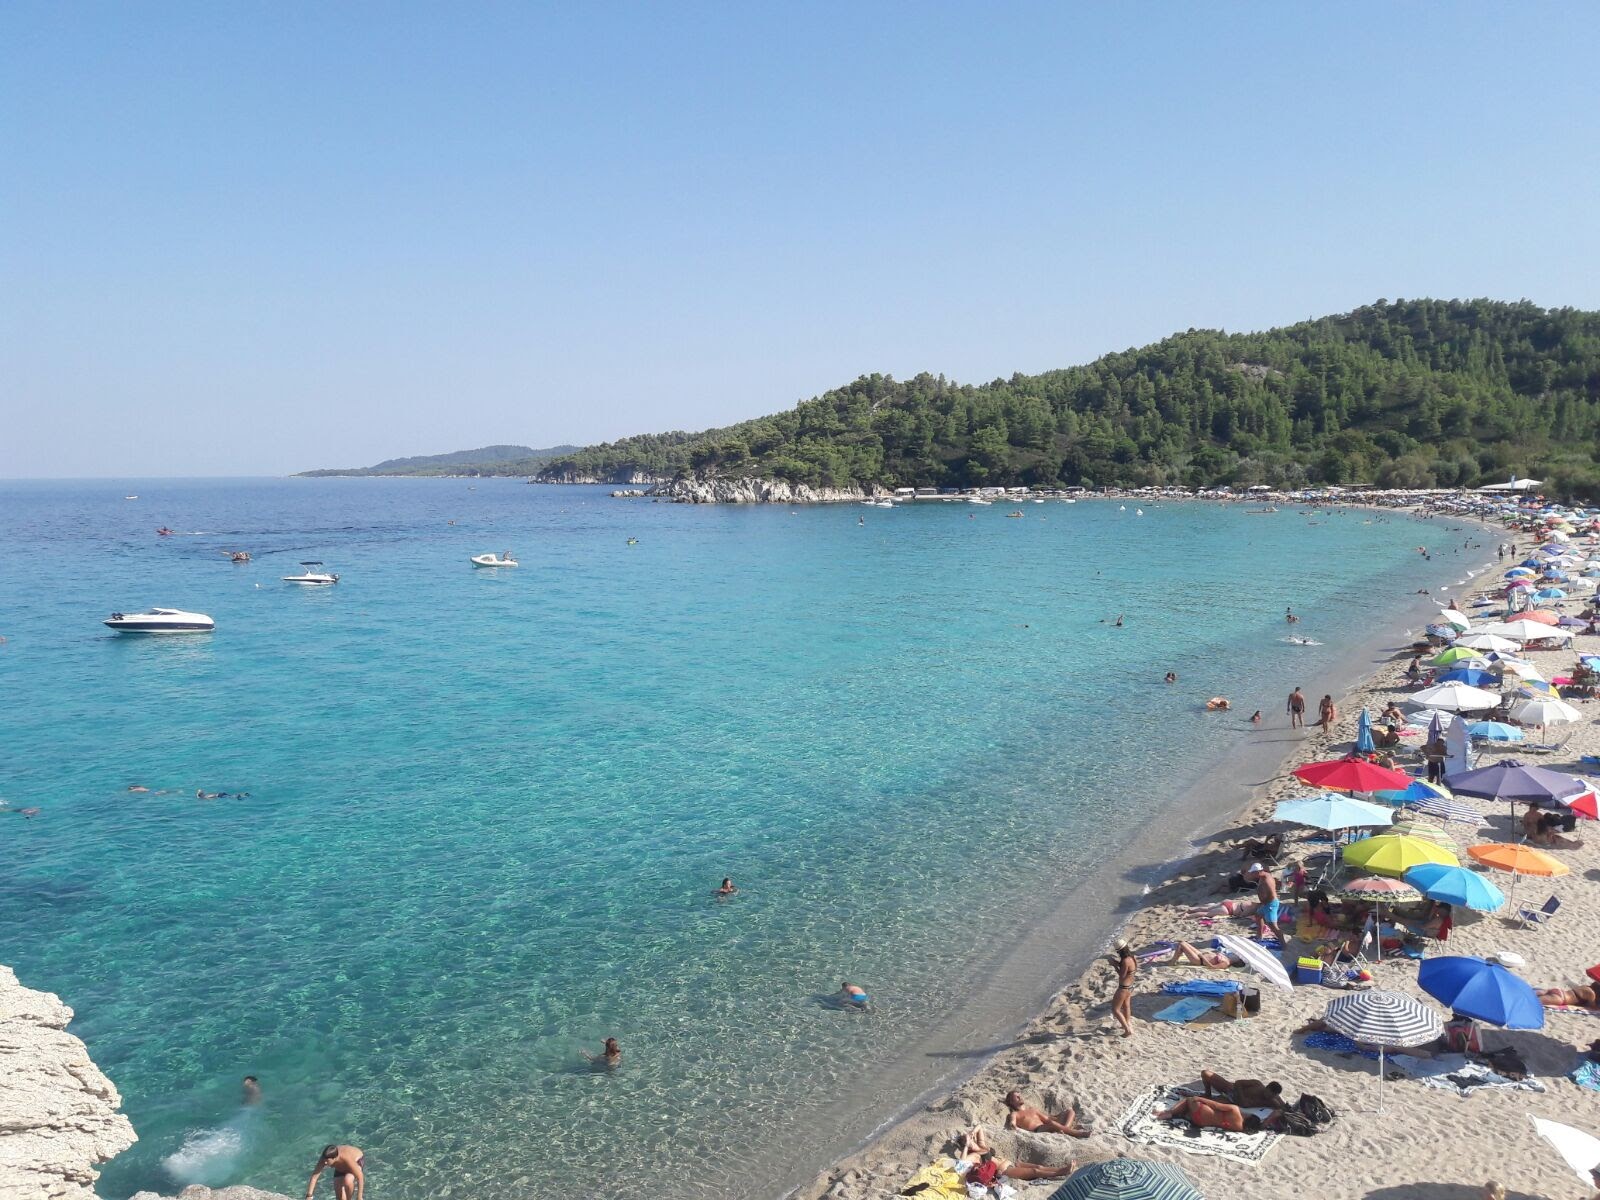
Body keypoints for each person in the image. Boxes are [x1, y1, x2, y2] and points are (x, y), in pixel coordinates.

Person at [951, 1128, 1074, 1185]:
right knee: (1035, 1171)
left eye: (971, 1138)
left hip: (1012, 1163)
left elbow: (980, 1128)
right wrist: (966, 1146)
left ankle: (1062, 1169)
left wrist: (972, 1132)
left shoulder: (982, 1146)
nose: (972, 1140)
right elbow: (961, 1162)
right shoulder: (975, 1155)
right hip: (1005, 1171)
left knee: (1039, 1166)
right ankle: (1061, 1172)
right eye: (970, 1141)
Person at [1001, 1090, 1090, 1138]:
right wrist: (1012, 1125)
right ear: (1012, 1102)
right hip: (1038, 1130)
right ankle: (1076, 1133)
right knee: (1052, 1124)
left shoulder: (1033, 1110)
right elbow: (1012, 1121)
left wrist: (1061, 1115)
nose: (1020, 1097)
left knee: (1070, 1111)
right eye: (1017, 1097)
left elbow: (1048, 1119)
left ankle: (1065, 1129)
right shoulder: (1015, 1113)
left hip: (1047, 1125)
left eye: (1020, 1095)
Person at [1154, 1095, 1263, 1133]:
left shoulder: (1234, 1110)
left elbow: (1216, 1105)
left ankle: (1169, 1113)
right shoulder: (1239, 1128)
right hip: (1201, 1122)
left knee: (1189, 1100)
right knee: (1187, 1110)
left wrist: (1199, 1098)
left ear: (1248, 1117)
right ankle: (1173, 1114)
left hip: (1202, 1112)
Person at [1199, 1071, 1284, 1110]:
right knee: (1205, 1073)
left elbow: (1282, 1107)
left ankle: (1209, 1099)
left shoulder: (1271, 1101)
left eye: (1272, 1096)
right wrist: (1242, 1098)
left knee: (1205, 1105)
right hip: (1231, 1089)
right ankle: (1208, 1093)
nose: (1269, 1096)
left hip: (1231, 1101)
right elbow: (1238, 1083)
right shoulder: (1257, 1084)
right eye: (1269, 1093)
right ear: (1266, 1088)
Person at [1110, 940, 1137, 1038]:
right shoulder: (1132, 958)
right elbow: (1129, 970)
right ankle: (1128, 1023)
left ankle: (1127, 1030)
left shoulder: (1125, 961)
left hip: (1123, 988)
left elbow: (1122, 975)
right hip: (1130, 986)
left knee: (1115, 1009)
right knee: (1126, 1006)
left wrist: (1114, 966)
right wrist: (1117, 963)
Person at [1255, 870, 1286, 944]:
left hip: (1270, 904)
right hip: (1266, 903)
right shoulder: (1263, 877)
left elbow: (1271, 896)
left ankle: (1284, 944)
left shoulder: (1266, 881)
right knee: (1258, 915)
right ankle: (1259, 936)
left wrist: (1264, 903)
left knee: (1273, 925)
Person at [1161, 940, 1239, 969]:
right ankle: (1173, 960)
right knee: (1183, 942)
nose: (1235, 954)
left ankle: (1172, 962)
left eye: (1237, 956)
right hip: (1201, 954)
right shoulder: (1226, 956)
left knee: (1181, 944)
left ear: (1236, 961)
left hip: (1199, 960)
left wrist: (1203, 957)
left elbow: (1212, 967)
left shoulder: (1226, 963)